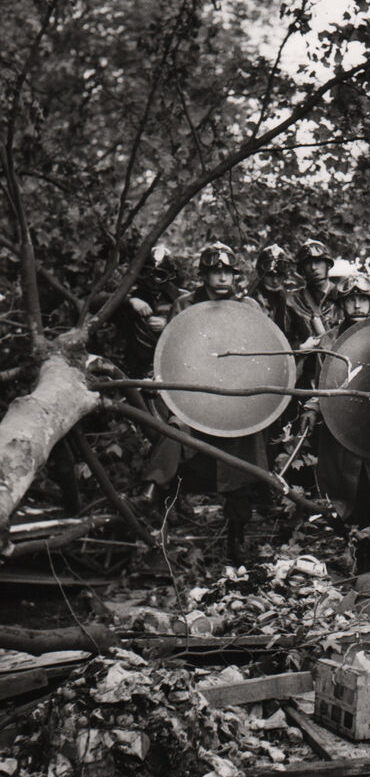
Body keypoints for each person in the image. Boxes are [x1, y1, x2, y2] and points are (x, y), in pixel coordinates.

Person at [139, 242, 269, 564]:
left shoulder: (248, 307)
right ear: (204, 275)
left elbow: (263, 352)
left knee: (244, 449)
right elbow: (172, 350)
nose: (222, 278)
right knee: (175, 430)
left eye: (227, 271)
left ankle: (236, 536)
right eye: (215, 272)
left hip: (236, 394)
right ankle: (152, 491)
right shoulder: (185, 306)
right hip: (193, 391)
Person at [300, 274, 370, 574]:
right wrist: (312, 408)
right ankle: (363, 557)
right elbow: (320, 382)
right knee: (354, 492)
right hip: (345, 426)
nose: (357, 304)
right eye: (350, 299)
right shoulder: (329, 339)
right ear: (341, 304)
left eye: (362, 298)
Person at [121, 245, 182, 378]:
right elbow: (97, 303)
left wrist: (168, 325)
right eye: (147, 273)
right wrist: (130, 301)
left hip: (172, 367)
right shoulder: (132, 294)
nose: (153, 281)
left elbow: (195, 330)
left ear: (170, 276)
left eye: (160, 275)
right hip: (135, 369)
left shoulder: (182, 299)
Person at [285, 240, 340, 349]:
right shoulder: (292, 301)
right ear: (302, 270)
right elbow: (282, 342)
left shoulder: (343, 297)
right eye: (308, 263)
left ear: (327, 264)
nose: (313, 267)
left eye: (318, 261)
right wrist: (301, 348)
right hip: (306, 363)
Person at [246, 244, 295, 333]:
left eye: (279, 275)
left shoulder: (292, 300)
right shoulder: (251, 301)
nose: (275, 281)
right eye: (270, 276)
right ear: (262, 275)